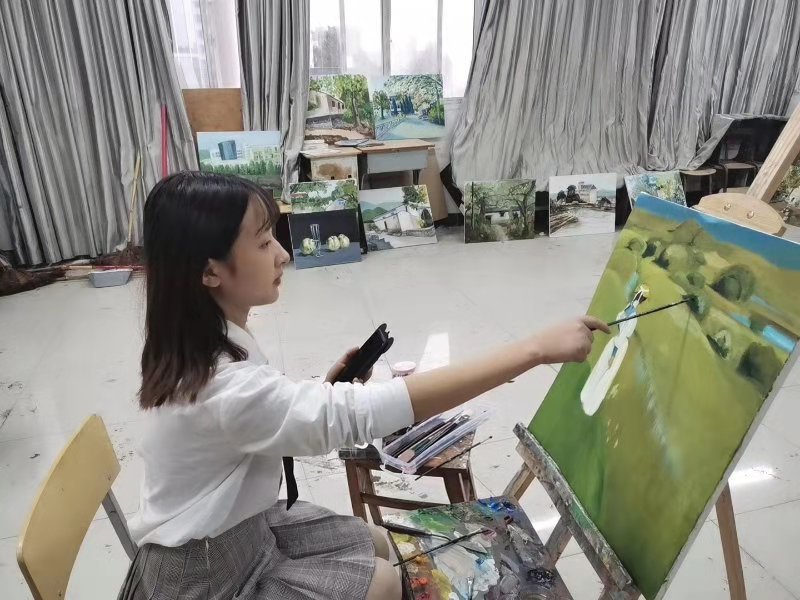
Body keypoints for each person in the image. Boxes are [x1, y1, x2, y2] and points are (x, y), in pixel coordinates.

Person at [118, 171, 608, 600]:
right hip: (207, 576)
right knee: (382, 581)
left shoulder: (199, 340)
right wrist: (533, 350)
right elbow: (355, 412)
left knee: (374, 541)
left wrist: (324, 390)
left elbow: (255, 420)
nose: (283, 255)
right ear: (210, 271)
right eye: (264, 243)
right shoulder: (222, 386)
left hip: (242, 529)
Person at [580, 285, 650, 416]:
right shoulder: (631, 312)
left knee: (604, 369)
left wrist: (614, 352)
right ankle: (590, 399)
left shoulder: (630, 310)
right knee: (605, 371)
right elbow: (622, 331)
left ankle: (589, 398)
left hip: (618, 342)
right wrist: (613, 355)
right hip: (618, 344)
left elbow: (621, 328)